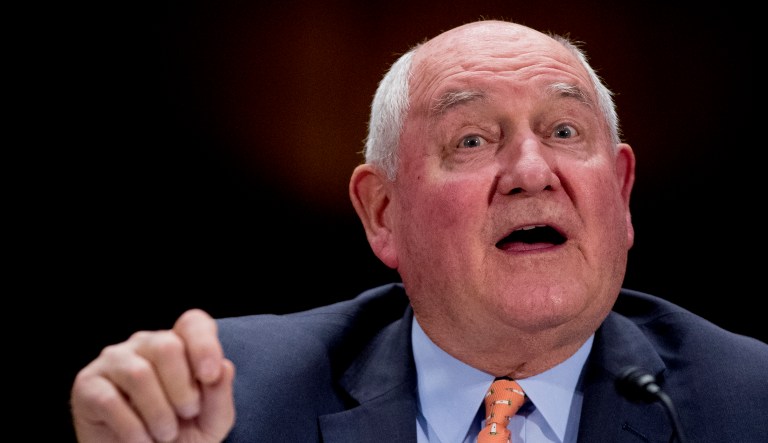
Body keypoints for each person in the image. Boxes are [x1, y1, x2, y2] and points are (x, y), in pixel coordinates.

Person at [70, 19, 768, 443]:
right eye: (470, 139)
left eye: (563, 129)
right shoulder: (228, 399)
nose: (531, 171)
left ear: (619, 193)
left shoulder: (748, 401)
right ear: (383, 213)